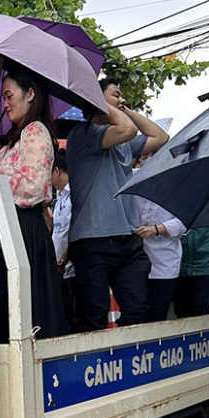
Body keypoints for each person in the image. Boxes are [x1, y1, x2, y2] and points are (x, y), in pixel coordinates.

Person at [0, 63, 68, 341]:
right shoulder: (18, 137)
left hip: (23, 230)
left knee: (23, 312)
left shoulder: (35, 131)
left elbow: (32, 188)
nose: (5, 104)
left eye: (9, 96)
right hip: (12, 229)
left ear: (30, 94)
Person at [66, 76, 169, 331]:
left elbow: (160, 136)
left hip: (128, 239)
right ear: (97, 100)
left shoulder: (124, 143)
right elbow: (127, 129)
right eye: (116, 94)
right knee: (94, 317)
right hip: (92, 241)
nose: (122, 99)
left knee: (138, 311)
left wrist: (121, 107)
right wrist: (98, 102)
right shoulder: (82, 135)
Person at [133, 197, 186, 322]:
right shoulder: (134, 185)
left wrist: (157, 229)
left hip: (164, 260)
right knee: (136, 312)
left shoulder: (178, 190)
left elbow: (184, 221)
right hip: (135, 258)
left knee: (157, 314)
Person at [50, 150, 76, 330]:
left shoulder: (75, 195)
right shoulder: (60, 198)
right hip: (61, 269)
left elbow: (73, 231)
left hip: (72, 267)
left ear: (57, 171)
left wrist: (62, 259)